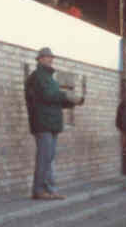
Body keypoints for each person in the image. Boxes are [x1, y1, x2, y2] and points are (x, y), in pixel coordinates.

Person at [24, 47, 84, 200]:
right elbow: (47, 95)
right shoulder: (37, 77)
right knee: (44, 158)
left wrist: (71, 102)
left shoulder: (50, 79)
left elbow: (54, 99)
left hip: (51, 123)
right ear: (39, 59)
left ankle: (50, 190)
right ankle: (39, 190)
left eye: (51, 57)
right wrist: (67, 96)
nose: (51, 59)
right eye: (47, 57)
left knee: (49, 158)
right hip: (42, 123)